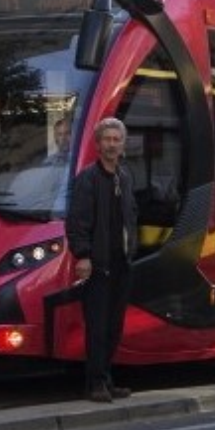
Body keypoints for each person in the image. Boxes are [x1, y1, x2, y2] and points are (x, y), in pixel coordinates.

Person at [66, 117, 138, 403]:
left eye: (116, 139)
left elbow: (131, 216)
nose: (111, 144)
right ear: (98, 145)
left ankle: (107, 380)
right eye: (106, 140)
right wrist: (82, 256)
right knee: (97, 327)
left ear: (122, 144)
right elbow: (78, 222)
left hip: (121, 264)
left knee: (114, 327)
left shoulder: (125, 176)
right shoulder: (88, 179)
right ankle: (95, 383)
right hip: (97, 265)